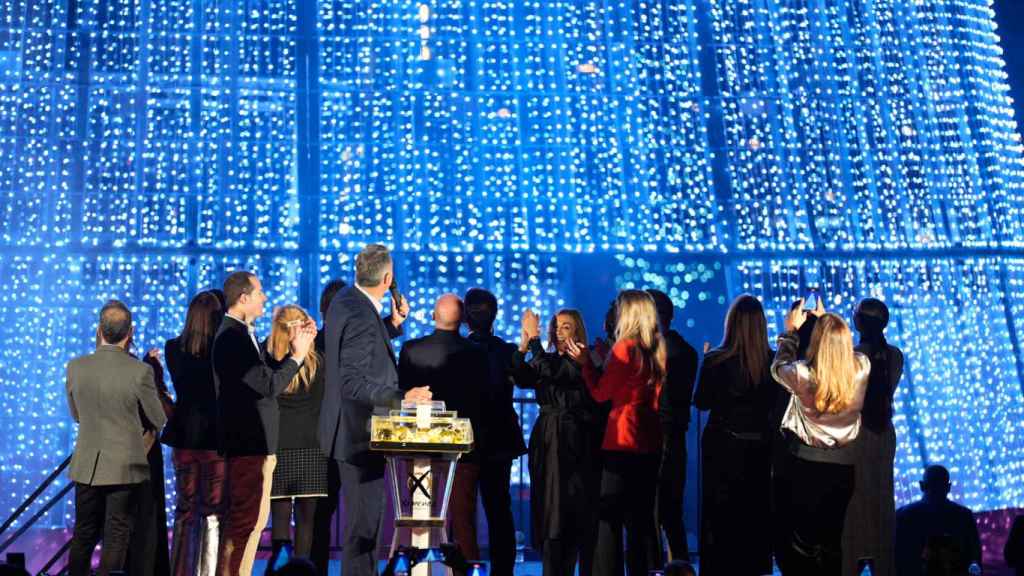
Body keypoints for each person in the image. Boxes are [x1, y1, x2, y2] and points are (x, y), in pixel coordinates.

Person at [318, 244, 430, 576]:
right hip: (358, 434)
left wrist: (391, 326)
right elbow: (352, 382)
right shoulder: (360, 314)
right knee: (363, 531)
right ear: (388, 278)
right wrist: (403, 397)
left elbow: (354, 348)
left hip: (344, 430)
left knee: (361, 527)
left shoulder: (345, 302)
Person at [212, 271, 317, 576]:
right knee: (245, 524)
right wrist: (297, 357)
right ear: (243, 298)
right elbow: (268, 385)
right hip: (248, 444)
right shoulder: (232, 337)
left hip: (256, 444)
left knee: (253, 525)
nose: (265, 297)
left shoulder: (243, 333)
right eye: (259, 293)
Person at [65, 300, 168, 576]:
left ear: (99, 330)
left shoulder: (75, 367)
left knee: (84, 532)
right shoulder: (140, 371)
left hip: (87, 465)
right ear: (130, 332)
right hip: (125, 466)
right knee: (117, 532)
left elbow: (76, 415)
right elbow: (159, 419)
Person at [567, 290, 665, 576]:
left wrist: (586, 364)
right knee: (641, 518)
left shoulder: (624, 348)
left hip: (623, 438)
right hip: (651, 438)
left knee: (609, 517)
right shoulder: (656, 346)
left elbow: (600, 393)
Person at [771, 303, 870, 575]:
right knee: (831, 539)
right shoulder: (861, 366)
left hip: (807, 466)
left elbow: (777, 367)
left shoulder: (802, 373)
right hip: (844, 468)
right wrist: (827, 320)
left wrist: (790, 333)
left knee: (803, 542)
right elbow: (843, 354)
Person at [398, 294, 488, 567]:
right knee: (463, 520)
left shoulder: (411, 349)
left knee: (421, 515)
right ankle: (466, 571)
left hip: (419, 444)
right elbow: (483, 398)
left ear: (433, 316)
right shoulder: (476, 353)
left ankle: (418, 568)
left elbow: (402, 393)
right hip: (463, 447)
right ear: (461, 321)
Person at [513, 308, 603, 576]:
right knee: (547, 500)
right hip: (547, 437)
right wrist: (523, 345)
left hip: (573, 436)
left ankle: (569, 558)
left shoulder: (585, 359)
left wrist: (534, 340)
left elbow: (557, 372)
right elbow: (522, 377)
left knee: (569, 502)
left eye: (565, 326)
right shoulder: (547, 358)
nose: (559, 331)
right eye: (556, 326)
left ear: (577, 330)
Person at [693, 294, 778, 575]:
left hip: (722, 447)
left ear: (731, 324)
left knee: (721, 517)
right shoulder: (773, 361)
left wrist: (706, 361)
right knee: (754, 514)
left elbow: (702, 401)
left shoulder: (716, 360)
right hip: (759, 449)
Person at [463, 288, 528, 576]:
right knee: (499, 511)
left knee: (461, 513)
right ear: (495, 316)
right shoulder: (507, 351)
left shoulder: (458, 350)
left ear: (466, 317)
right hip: (500, 440)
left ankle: (464, 568)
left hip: (464, 440)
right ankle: (503, 572)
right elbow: (528, 379)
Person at [841, 298, 905, 576]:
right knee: (882, 498)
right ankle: (882, 563)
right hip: (884, 435)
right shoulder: (895, 355)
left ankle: (851, 562)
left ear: (857, 322)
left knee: (855, 502)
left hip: (856, 434)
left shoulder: (851, 357)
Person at [165, 291, 226, 576]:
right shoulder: (223, 351)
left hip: (185, 437)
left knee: (184, 510)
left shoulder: (173, 348)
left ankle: (179, 570)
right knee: (212, 512)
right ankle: (208, 571)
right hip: (215, 438)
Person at [266, 306, 328, 561]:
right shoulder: (319, 362)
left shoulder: (267, 360)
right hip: (311, 446)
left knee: (279, 520)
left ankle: (279, 570)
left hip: (277, 446)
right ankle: (302, 570)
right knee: (306, 522)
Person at [646, 289, 698, 562]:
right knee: (671, 511)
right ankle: (679, 566)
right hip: (675, 436)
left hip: (654, 434)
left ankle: (654, 567)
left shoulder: (654, 352)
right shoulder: (687, 351)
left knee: (652, 511)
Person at [310, 278, 347, 576]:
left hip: (317, 439)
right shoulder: (349, 347)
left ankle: (315, 569)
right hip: (346, 438)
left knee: (319, 515)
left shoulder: (311, 346)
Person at [894, 465, 982, 576]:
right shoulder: (963, 515)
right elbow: (975, 558)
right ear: (949, 487)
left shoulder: (904, 515)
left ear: (922, 486)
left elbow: (898, 559)